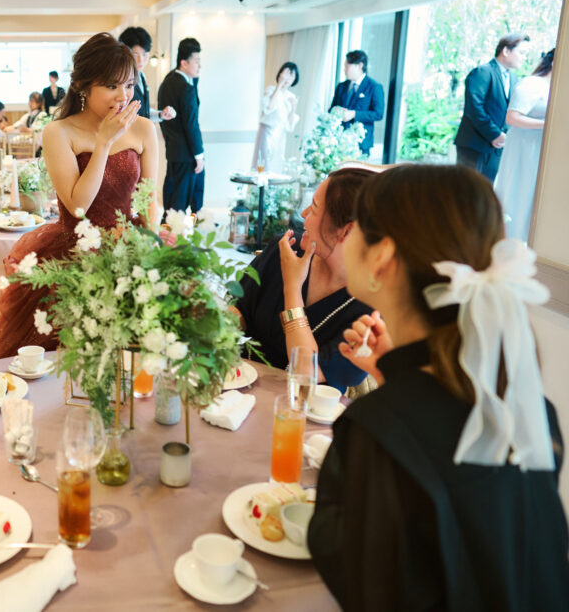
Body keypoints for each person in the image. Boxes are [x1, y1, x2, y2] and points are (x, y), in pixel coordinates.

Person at [309, 164, 569, 610]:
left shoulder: (377, 432)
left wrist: (394, 398)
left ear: (382, 258)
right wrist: (394, 376)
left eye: (359, 229)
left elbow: (362, 580)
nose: (346, 237)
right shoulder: (531, 410)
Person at [0, 32, 159, 361]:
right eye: (112, 86)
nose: (123, 96)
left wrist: (151, 251)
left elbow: (150, 201)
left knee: (133, 358)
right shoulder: (59, 131)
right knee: (64, 364)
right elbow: (78, 205)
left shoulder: (144, 129)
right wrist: (105, 143)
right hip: (72, 255)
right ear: (83, 85)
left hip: (130, 252)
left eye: (129, 86)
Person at [235, 168, 373, 393]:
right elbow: (239, 308)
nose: (303, 214)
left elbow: (305, 371)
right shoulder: (286, 249)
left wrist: (292, 287)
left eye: (315, 207)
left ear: (346, 231)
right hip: (239, 388)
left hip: (304, 415)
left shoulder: (371, 309)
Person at [493, 48, 553, 241]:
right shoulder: (532, 84)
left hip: (538, 148)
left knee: (532, 197)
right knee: (517, 192)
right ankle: (507, 242)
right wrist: (549, 125)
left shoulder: (555, 88)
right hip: (523, 147)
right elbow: (512, 117)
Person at [455, 33, 531, 183]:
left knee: (485, 193)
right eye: (522, 53)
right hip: (474, 145)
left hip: (496, 149)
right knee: (464, 192)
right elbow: (474, 108)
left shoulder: (514, 79)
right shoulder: (483, 72)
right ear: (506, 51)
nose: (524, 58)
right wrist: (495, 134)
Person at [158, 37, 205, 215]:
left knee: (172, 204)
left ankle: (167, 238)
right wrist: (198, 154)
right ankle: (178, 238)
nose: (200, 66)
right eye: (197, 61)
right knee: (183, 205)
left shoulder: (168, 81)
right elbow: (191, 124)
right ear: (184, 63)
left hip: (173, 151)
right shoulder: (185, 87)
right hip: (187, 155)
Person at [329, 50, 384, 156]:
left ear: (359, 66)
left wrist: (354, 114)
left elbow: (378, 114)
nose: (344, 70)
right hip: (338, 142)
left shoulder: (374, 87)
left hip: (361, 144)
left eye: (347, 66)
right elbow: (331, 109)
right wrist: (337, 112)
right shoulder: (341, 86)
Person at [118, 26, 176, 122]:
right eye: (135, 54)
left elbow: (144, 110)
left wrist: (160, 114)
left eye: (145, 54)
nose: (141, 60)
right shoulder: (120, 79)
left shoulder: (141, 76)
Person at [252, 62, 300, 172]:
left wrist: (293, 108)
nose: (288, 79)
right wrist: (279, 84)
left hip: (280, 136)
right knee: (263, 164)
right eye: (286, 74)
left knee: (276, 165)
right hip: (267, 134)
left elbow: (290, 126)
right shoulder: (271, 90)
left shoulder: (291, 97)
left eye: (291, 76)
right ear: (280, 74)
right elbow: (268, 107)